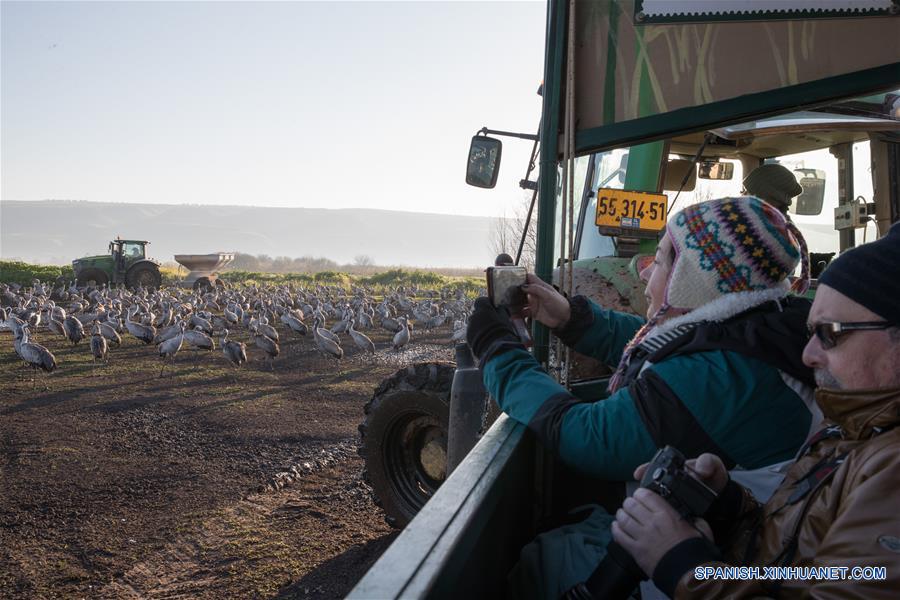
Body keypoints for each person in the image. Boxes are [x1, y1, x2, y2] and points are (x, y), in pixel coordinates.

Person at [466, 196, 817, 596]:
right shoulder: (762, 326)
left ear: (695, 279)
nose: (647, 275)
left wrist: (498, 352)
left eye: (665, 260)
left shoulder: (720, 376)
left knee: (544, 562)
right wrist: (569, 318)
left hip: (711, 565)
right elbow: (665, 347)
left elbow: (589, 436)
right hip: (740, 540)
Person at [612, 222, 900, 598]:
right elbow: (798, 569)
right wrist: (729, 507)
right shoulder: (853, 426)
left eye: (829, 333)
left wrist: (684, 567)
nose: (808, 354)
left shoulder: (889, 461)